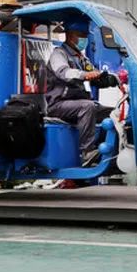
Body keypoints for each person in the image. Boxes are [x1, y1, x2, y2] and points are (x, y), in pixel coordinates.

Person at [45, 21, 111, 165]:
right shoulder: (59, 54)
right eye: (81, 35)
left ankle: (105, 149)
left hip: (75, 103)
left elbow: (93, 74)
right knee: (88, 107)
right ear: (70, 36)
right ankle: (87, 152)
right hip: (58, 104)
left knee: (112, 113)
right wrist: (84, 75)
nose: (84, 39)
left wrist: (110, 79)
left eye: (86, 35)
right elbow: (63, 72)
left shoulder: (81, 57)